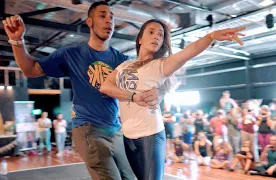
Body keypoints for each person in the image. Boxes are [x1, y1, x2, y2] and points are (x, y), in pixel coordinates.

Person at [2, 1, 161, 179]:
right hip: (89, 128)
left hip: (115, 129)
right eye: (102, 16)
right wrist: (17, 41)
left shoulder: (121, 59)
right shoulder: (71, 54)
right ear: (89, 22)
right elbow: (29, 69)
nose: (109, 20)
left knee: (132, 177)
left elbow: (145, 81)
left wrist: (158, 91)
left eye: (112, 17)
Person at [100, 19, 245, 179]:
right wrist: (133, 96)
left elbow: (189, 52)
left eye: (160, 35)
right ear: (140, 39)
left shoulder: (160, 65)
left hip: (150, 134)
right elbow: (105, 87)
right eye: (151, 32)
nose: (156, 37)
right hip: (128, 135)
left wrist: (211, 36)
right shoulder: (124, 66)